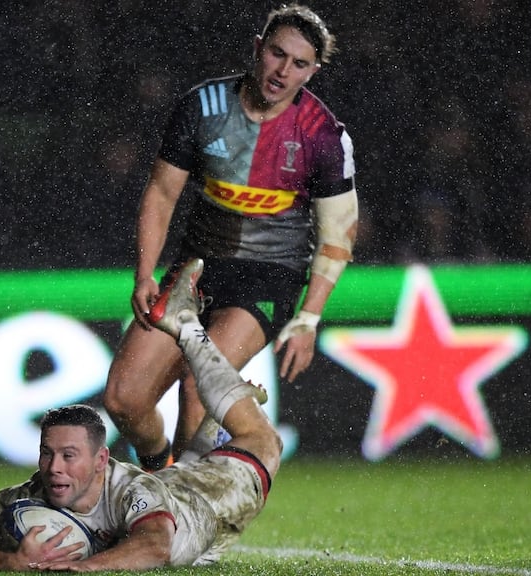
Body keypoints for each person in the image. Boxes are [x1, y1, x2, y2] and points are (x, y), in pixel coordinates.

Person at [103, 4, 358, 471]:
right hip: (196, 269)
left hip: (269, 276)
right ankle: (162, 476)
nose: (283, 71)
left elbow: (338, 235)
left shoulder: (323, 136)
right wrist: (145, 274)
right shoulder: (202, 107)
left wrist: (309, 317)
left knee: (203, 383)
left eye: (299, 63)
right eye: (277, 54)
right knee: (124, 399)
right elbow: (161, 194)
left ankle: (184, 516)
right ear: (258, 48)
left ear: (313, 72)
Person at [0, 258, 282, 571]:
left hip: (209, 503)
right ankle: (220, 421)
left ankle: (188, 327)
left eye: (69, 455)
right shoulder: (26, 498)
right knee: (189, 464)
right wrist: (8, 562)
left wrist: (87, 567)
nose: (54, 467)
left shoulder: (129, 490)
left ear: (101, 460)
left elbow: (157, 545)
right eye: (48, 454)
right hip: (174, 483)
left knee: (263, 441)